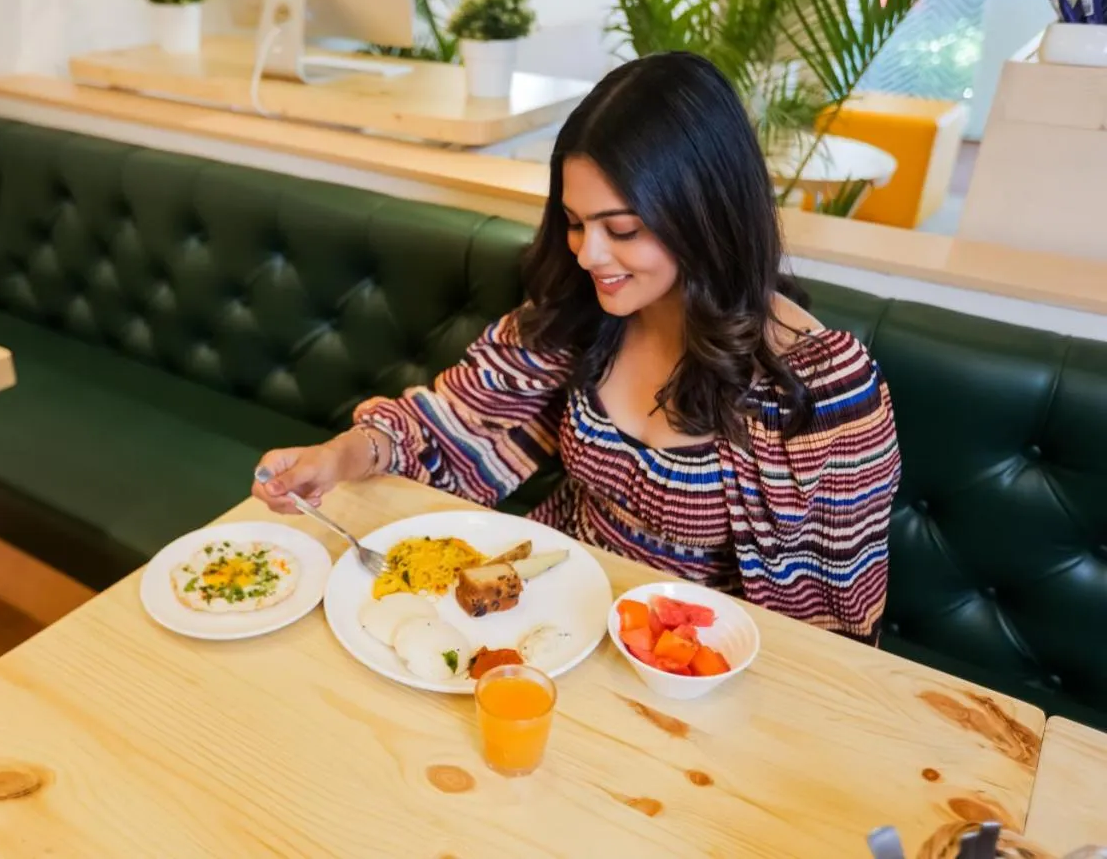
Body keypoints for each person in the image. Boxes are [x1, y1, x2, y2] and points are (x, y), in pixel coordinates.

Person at [252, 52, 901, 644]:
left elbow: (832, 630)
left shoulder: (823, 390)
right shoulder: (585, 315)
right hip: (545, 614)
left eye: (622, 229)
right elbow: (452, 420)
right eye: (574, 222)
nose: (589, 255)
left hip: (684, 661)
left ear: (706, 214)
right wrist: (341, 455)